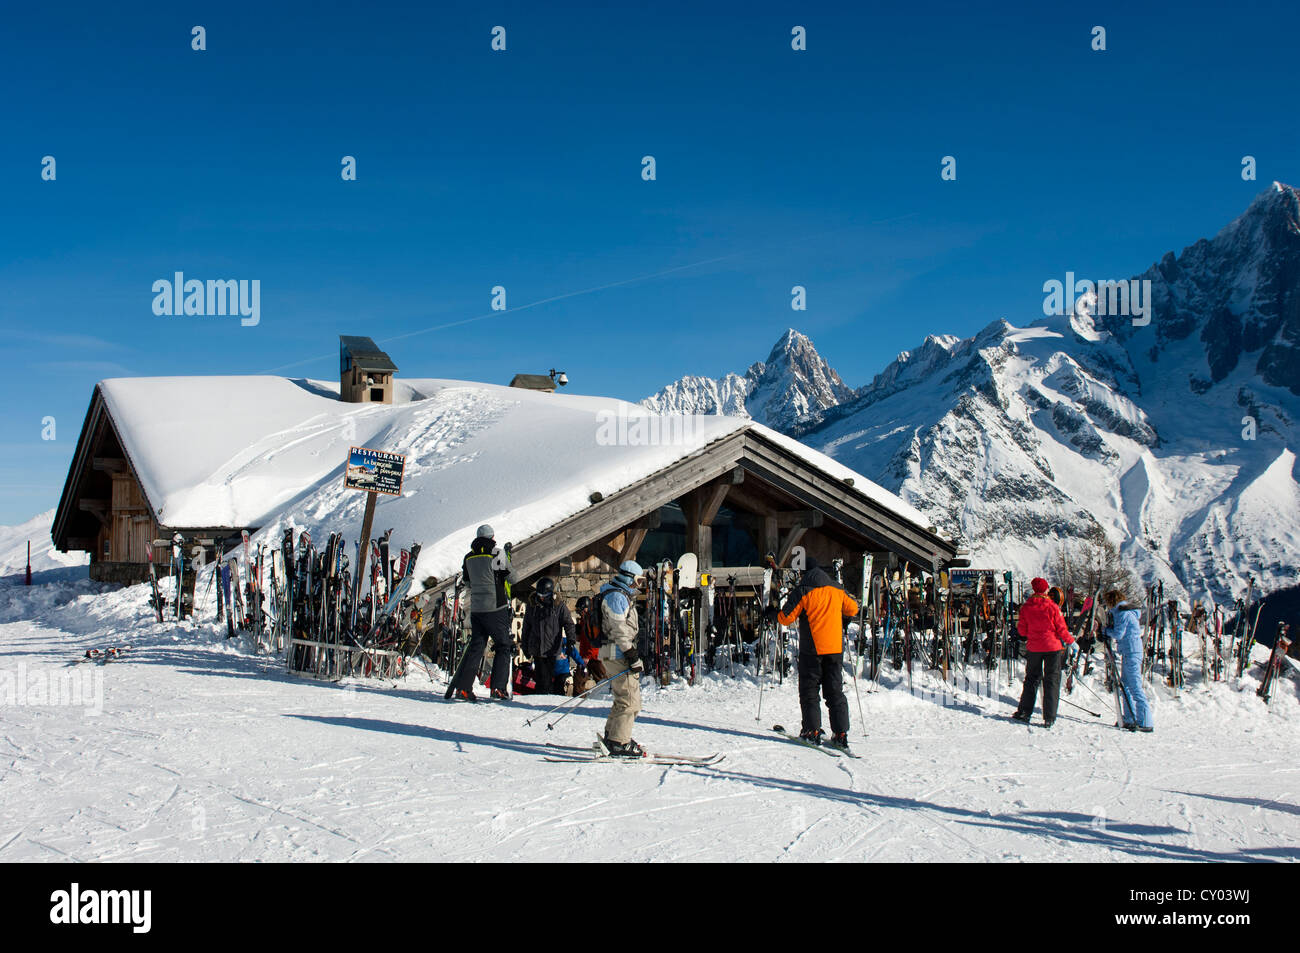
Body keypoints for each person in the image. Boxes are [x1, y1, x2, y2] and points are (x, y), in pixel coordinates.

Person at [777, 557, 860, 752]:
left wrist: (773, 613)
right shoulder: (836, 589)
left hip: (812, 649)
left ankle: (811, 731)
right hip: (835, 649)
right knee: (835, 691)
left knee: (809, 690)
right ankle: (840, 733)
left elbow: (785, 618)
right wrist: (843, 618)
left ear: (804, 573)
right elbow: (853, 608)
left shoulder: (804, 590)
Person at [446, 524, 517, 702]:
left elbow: (467, 582)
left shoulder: (468, 557)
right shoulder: (496, 553)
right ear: (492, 537)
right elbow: (512, 578)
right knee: (503, 645)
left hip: (477, 608)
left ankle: (463, 688)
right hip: (496, 606)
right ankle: (498, 688)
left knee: (476, 647)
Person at [591, 561, 645, 757]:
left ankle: (613, 736)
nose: (638, 585)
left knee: (623, 699)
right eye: (638, 580)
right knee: (630, 701)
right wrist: (631, 655)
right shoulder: (616, 596)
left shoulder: (617, 594)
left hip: (612, 652)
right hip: (618, 653)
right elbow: (619, 630)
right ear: (629, 577)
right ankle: (618, 743)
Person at [1012, 577, 1075, 727]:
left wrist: (1032, 634)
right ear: (1046, 589)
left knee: (1031, 679)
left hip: (1034, 648)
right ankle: (1049, 717)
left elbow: (1022, 630)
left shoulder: (1026, 607)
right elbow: (1061, 629)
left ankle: (1024, 712)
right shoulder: (1052, 606)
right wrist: (1071, 642)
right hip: (1052, 648)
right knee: (1051, 680)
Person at [1098, 589, 1153, 732]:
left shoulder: (1122, 613)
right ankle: (1130, 718)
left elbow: (1118, 634)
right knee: (1126, 685)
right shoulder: (1126, 612)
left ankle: (1145, 721)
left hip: (1131, 651)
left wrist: (1105, 631)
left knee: (1134, 686)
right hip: (1130, 651)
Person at [521, 576, 576, 696]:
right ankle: (542, 696)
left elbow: (568, 623)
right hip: (537, 647)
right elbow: (526, 627)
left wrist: (571, 641)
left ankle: (546, 697)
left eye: (544, 596)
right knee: (541, 679)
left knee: (548, 677)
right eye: (539, 595)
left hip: (552, 648)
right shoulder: (532, 606)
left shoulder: (558, 606)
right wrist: (524, 646)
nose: (541, 598)